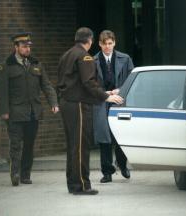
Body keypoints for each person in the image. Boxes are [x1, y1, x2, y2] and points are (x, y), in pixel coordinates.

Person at [57, 27, 123, 195]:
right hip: (78, 105)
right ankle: (81, 185)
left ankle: (73, 183)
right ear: (90, 41)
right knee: (81, 146)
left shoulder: (67, 55)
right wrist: (105, 97)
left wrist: (102, 93)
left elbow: (73, 82)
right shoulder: (84, 56)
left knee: (73, 145)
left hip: (67, 103)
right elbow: (88, 82)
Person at [0, 32, 59, 186]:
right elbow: (1, 92)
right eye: (24, 46)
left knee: (29, 145)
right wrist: (3, 111)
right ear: (16, 47)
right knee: (16, 145)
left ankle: (25, 174)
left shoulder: (36, 64)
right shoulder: (6, 66)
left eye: (28, 46)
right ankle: (15, 173)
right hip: (15, 113)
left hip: (33, 113)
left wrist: (54, 103)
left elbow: (46, 85)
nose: (27, 49)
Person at [93, 30, 134, 183]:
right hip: (102, 101)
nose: (107, 47)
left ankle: (122, 165)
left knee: (121, 135)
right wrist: (105, 93)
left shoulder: (126, 58)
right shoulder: (93, 60)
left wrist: (120, 90)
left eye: (110, 43)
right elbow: (91, 83)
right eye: (104, 44)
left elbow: (132, 80)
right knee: (105, 138)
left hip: (120, 101)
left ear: (114, 43)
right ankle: (107, 172)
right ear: (100, 44)